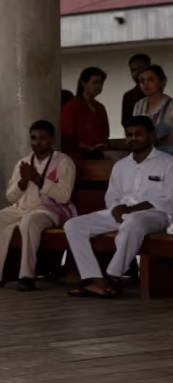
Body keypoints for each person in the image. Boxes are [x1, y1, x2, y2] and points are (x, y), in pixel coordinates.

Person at [64, 116, 173, 298]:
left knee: (132, 222)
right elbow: (112, 197)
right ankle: (95, 280)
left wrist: (132, 209)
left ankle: (113, 277)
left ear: (151, 135)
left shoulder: (167, 163)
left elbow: (170, 200)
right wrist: (116, 209)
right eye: (129, 135)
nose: (133, 138)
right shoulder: (120, 166)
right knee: (73, 225)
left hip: (155, 215)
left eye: (139, 134)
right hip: (123, 214)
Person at [0, 121, 76, 292]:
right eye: (33, 138)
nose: (37, 142)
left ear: (53, 140)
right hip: (21, 208)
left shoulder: (64, 162)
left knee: (30, 220)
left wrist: (38, 179)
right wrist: (23, 181)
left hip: (50, 210)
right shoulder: (23, 162)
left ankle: (27, 276)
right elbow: (11, 197)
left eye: (42, 138)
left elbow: (64, 197)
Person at [61, 67, 110, 160]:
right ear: (83, 83)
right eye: (95, 83)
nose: (99, 87)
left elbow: (105, 133)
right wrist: (87, 147)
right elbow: (67, 138)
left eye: (101, 83)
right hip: (77, 157)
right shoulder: (71, 106)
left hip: (98, 154)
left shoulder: (100, 107)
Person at [131, 65, 173, 154]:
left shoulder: (170, 105)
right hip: (144, 155)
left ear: (162, 82)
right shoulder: (138, 105)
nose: (145, 84)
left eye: (151, 80)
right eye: (142, 81)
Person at [122, 53, 152, 120]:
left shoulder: (155, 93)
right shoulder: (128, 97)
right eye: (133, 70)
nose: (137, 72)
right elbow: (126, 122)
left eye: (140, 68)